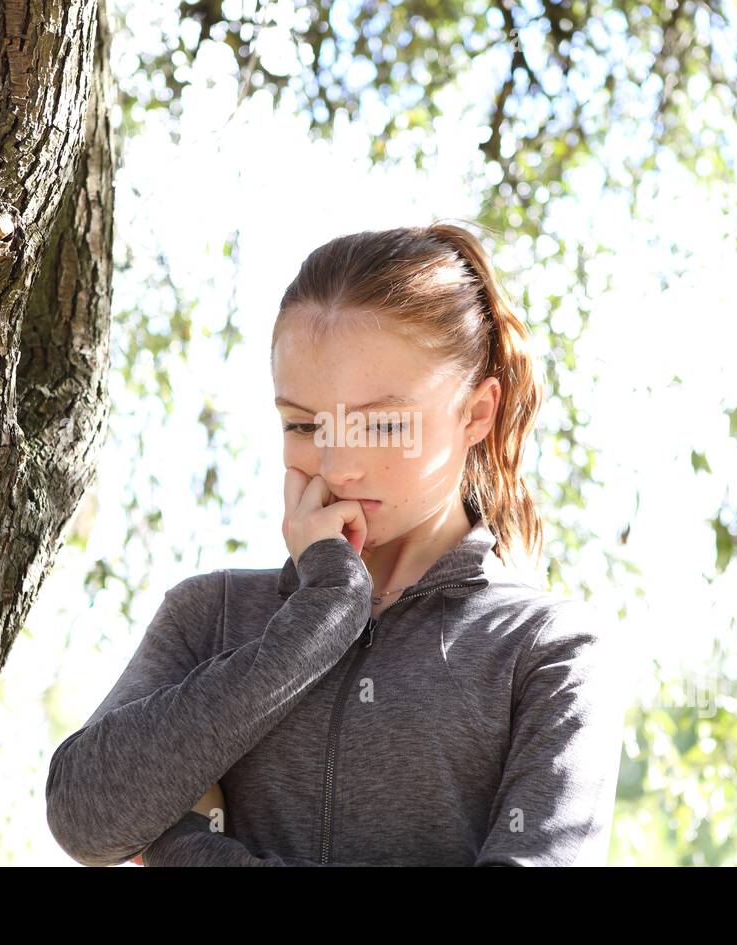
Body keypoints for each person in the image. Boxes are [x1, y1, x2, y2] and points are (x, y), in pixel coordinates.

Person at [44, 220, 628, 866]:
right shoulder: (209, 616)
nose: (338, 464)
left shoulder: (549, 652)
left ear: (476, 413)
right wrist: (318, 617)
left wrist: (183, 849)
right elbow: (84, 820)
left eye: (381, 424)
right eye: (302, 422)